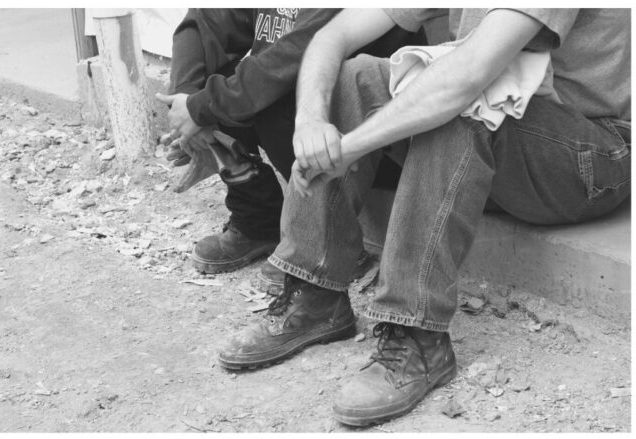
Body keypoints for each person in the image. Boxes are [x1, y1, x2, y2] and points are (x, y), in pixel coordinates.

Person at [218, 8, 631, 426]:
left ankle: (417, 336)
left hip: (591, 155)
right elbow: (332, 35)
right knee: (353, 77)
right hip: (506, 133)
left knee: (462, 99)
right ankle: (314, 295)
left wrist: (349, 148)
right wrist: (309, 121)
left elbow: (469, 74)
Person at [157, 8, 425, 277]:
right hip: (320, 129)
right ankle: (258, 218)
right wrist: (185, 97)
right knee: (216, 83)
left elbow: (287, 61)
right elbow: (203, 21)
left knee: (264, 98)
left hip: (380, 143)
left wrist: (199, 108)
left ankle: (329, 242)